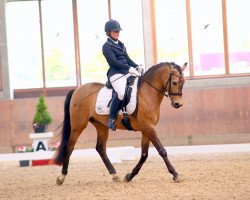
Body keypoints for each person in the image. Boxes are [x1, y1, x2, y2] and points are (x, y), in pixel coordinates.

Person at [102, 19, 141, 131]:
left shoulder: (121, 44)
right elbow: (113, 62)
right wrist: (129, 68)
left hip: (126, 72)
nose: (118, 33)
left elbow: (128, 59)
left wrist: (137, 67)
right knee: (121, 92)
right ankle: (112, 119)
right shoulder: (106, 46)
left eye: (118, 31)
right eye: (115, 31)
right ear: (109, 32)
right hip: (115, 74)